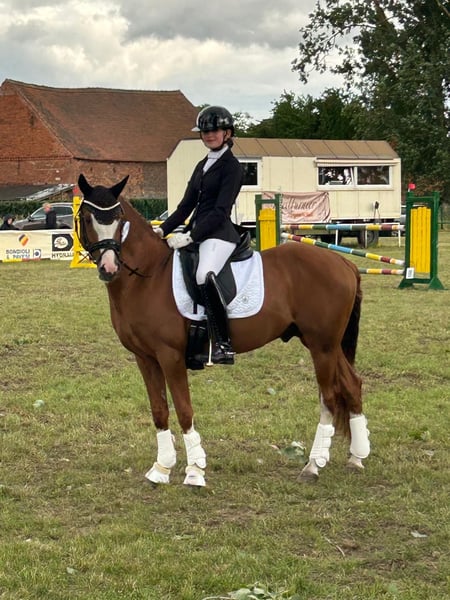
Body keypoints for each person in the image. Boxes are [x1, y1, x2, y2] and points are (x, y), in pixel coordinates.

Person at [155, 105, 244, 365]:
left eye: (215, 130)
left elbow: (220, 211)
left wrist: (192, 236)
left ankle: (223, 343)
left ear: (227, 133)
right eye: (205, 132)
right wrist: (162, 230)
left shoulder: (232, 167)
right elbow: (185, 206)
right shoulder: (202, 165)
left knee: (204, 274)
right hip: (196, 232)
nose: (209, 135)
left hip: (218, 234)